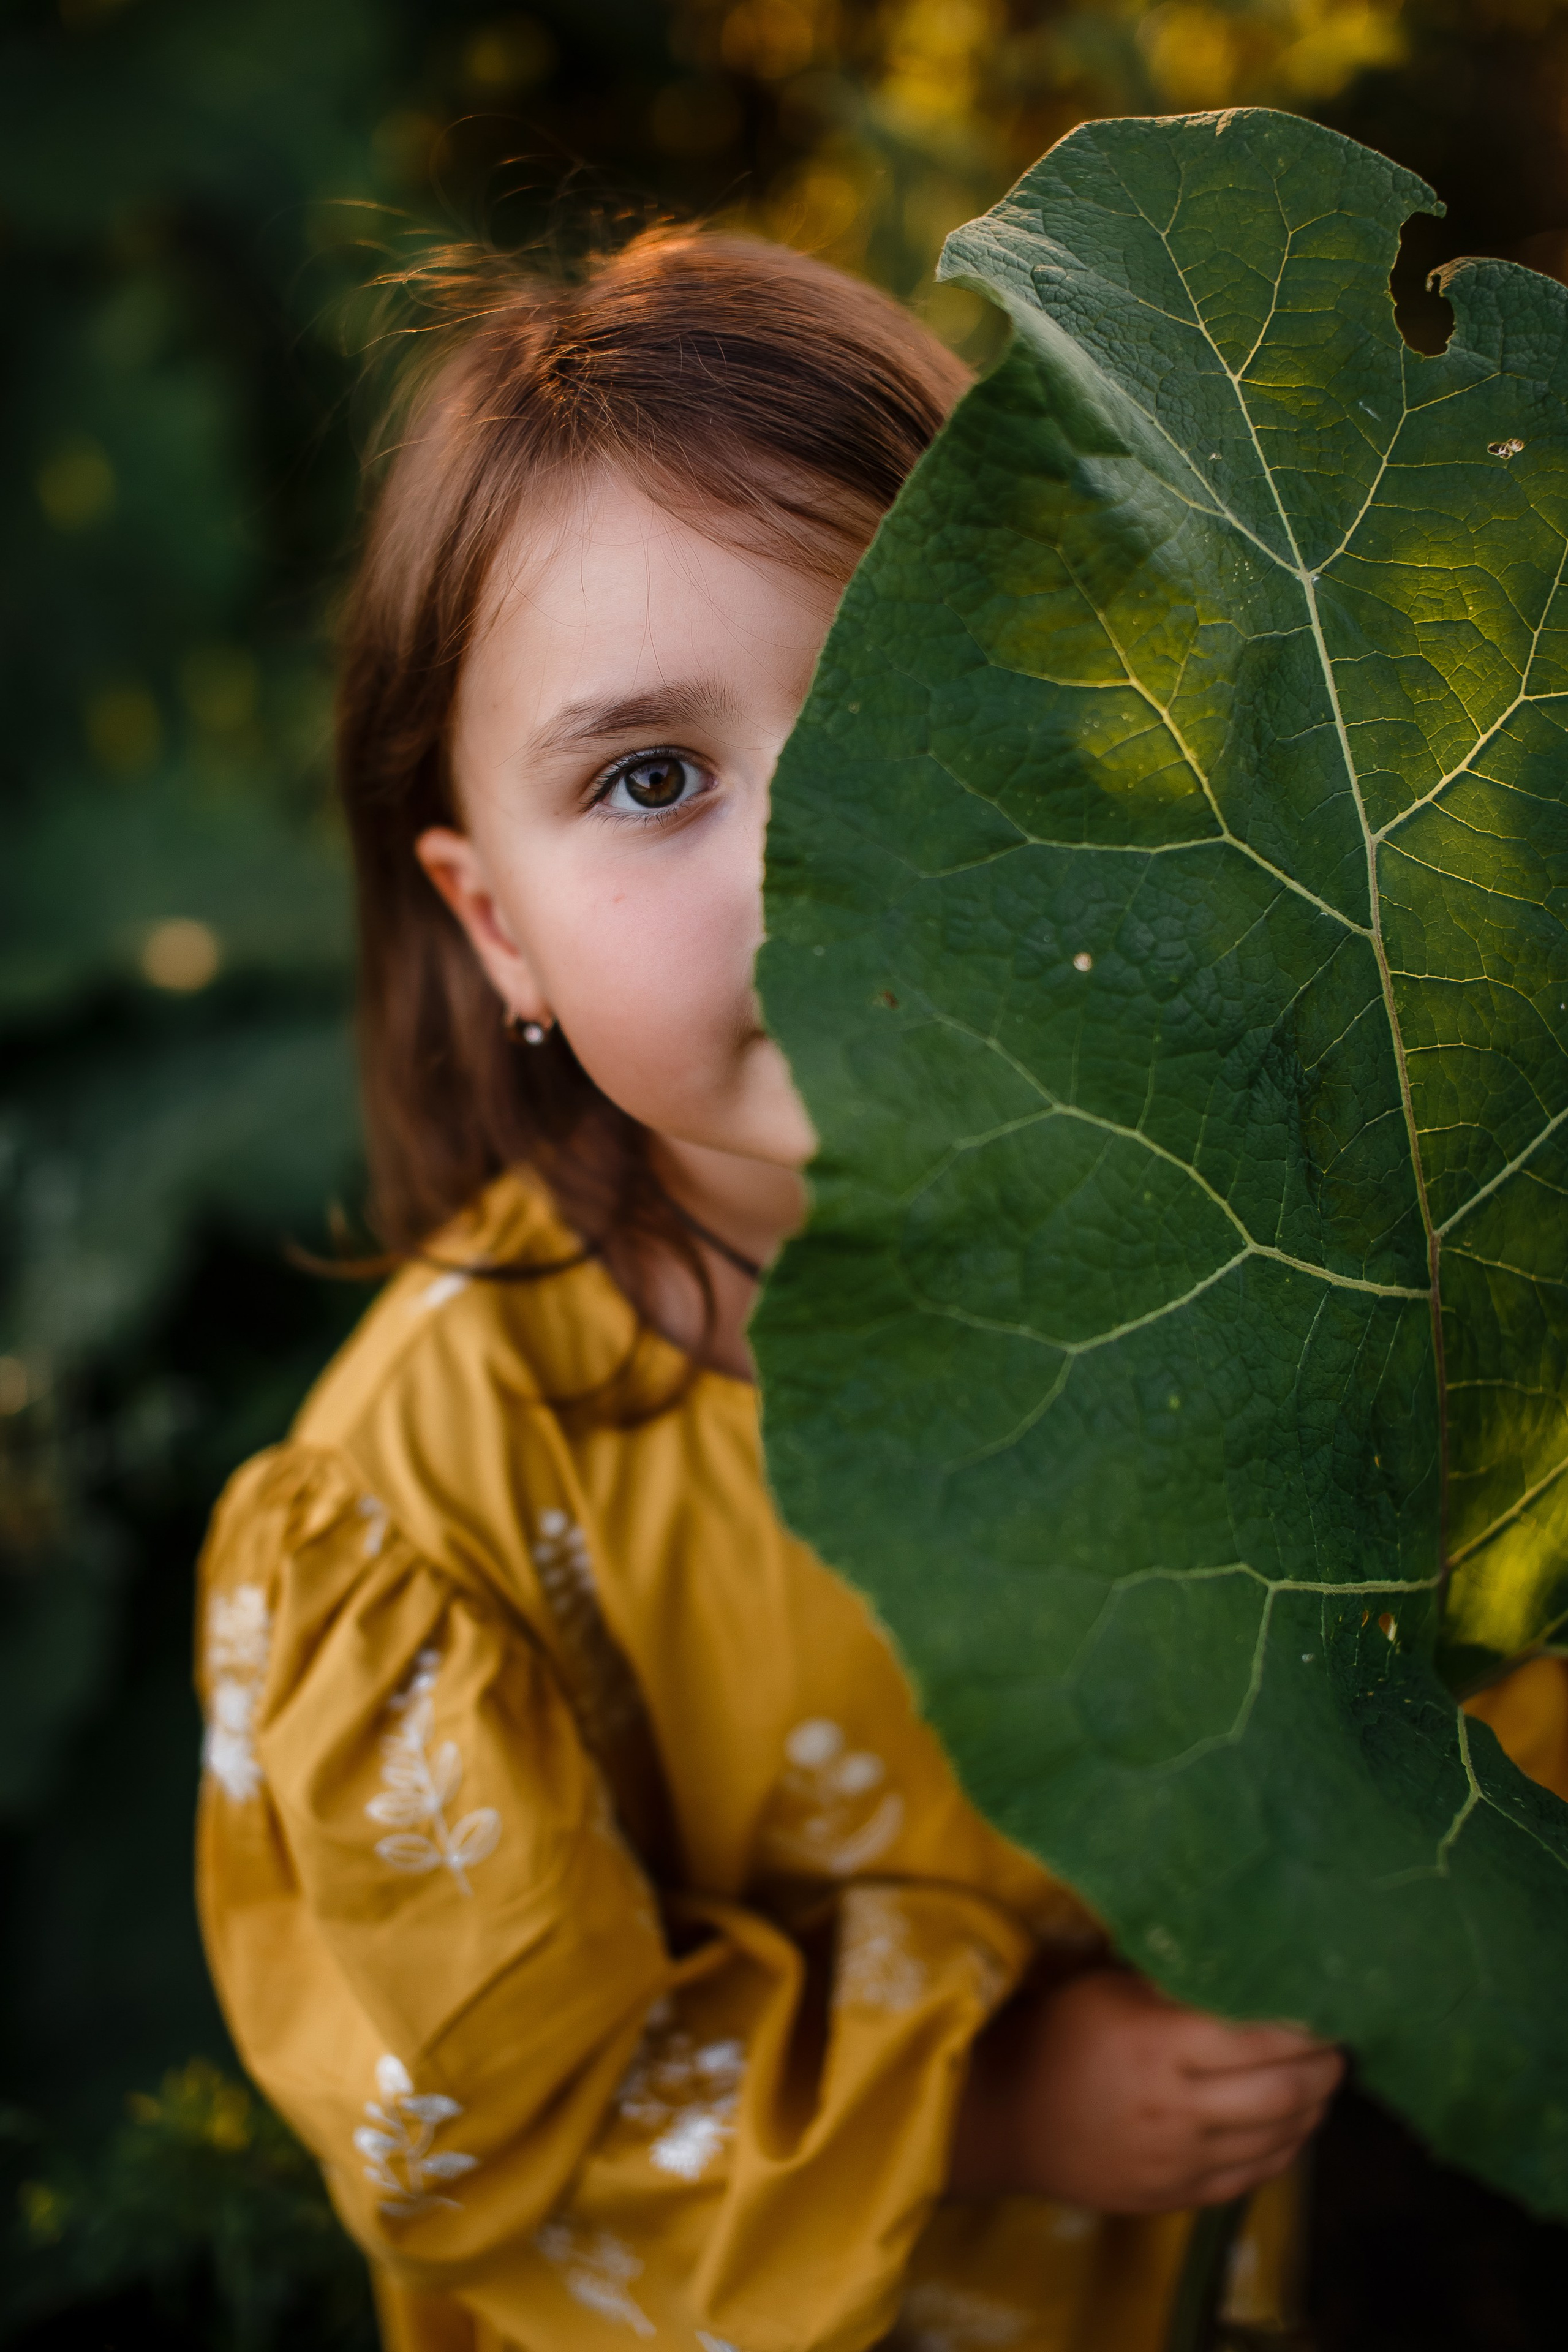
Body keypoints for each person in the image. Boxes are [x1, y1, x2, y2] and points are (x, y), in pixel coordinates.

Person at [194, 225, 1566, 2352]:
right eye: (655, 779)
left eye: (902, 708)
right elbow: (468, 2128)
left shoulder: (1255, 1256)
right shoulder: (425, 1512)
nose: (816, 861)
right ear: (496, 929)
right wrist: (988, 2101)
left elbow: (1472, 1678)